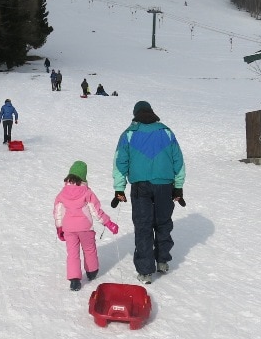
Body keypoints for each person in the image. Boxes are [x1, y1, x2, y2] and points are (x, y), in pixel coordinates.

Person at [112, 100, 185, 285]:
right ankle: (162, 261)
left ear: (135, 114)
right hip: (165, 185)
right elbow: (179, 161)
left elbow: (120, 163)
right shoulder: (166, 132)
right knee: (163, 223)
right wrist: (178, 186)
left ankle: (145, 272)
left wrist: (119, 189)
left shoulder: (128, 134)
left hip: (140, 186)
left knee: (143, 226)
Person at [53, 160, 119, 291]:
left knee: (72, 253)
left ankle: (74, 280)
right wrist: (108, 223)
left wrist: (59, 228)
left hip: (69, 229)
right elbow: (96, 211)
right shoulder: (87, 192)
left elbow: (58, 212)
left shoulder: (62, 193)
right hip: (85, 228)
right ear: (83, 176)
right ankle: (92, 271)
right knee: (89, 249)